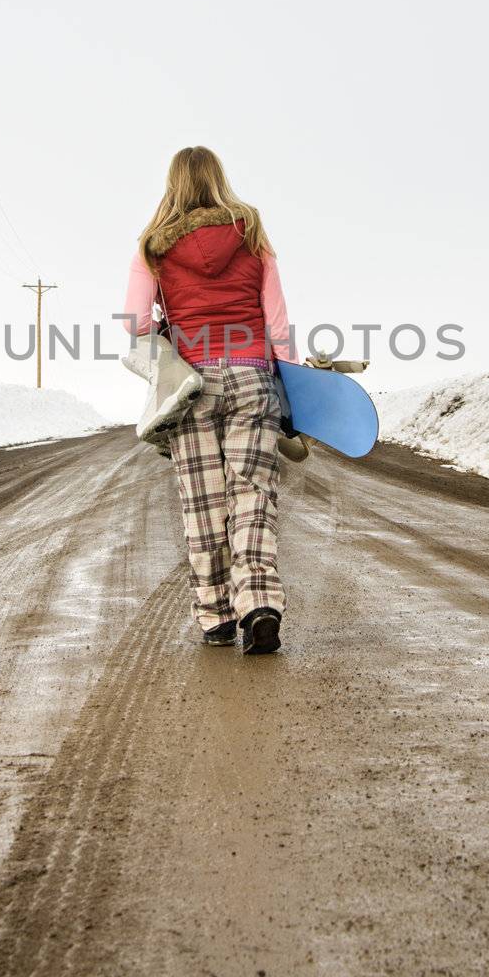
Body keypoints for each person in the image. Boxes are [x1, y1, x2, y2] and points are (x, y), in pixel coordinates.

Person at [122, 146, 297, 654]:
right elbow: (278, 322)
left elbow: (135, 329)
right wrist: (291, 386)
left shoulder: (152, 247)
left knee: (202, 502)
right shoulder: (253, 232)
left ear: (172, 184)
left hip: (190, 386)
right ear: (219, 179)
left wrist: (163, 322)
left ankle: (216, 617)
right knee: (252, 495)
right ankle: (259, 603)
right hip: (252, 379)